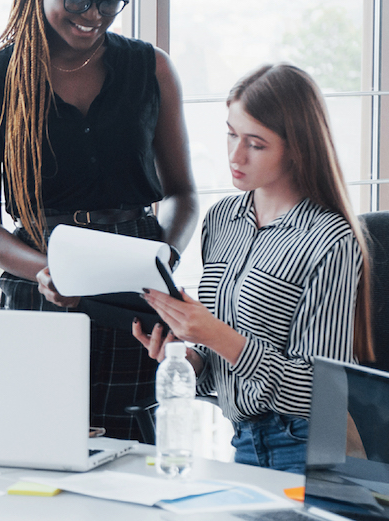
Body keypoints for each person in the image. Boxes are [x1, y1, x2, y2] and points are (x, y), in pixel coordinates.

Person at [0, 0, 197, 442]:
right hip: (40, 293)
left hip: (135, 298)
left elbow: (182, 192)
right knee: (33, 461)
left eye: (111, 1)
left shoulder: (150, 68)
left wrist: (164, 258)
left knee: (135, 463)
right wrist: (44, 270)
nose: (93, 16)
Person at [133, 63, 374, 473]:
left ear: (297, 148)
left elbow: (322, 393)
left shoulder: (329, 240)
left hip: (309, 446)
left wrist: (215, 333)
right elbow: (227, 374)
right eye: (231, 134)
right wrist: (191, 360)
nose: (235, 155)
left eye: (256, 144)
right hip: (245, 443)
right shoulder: (221, 220)